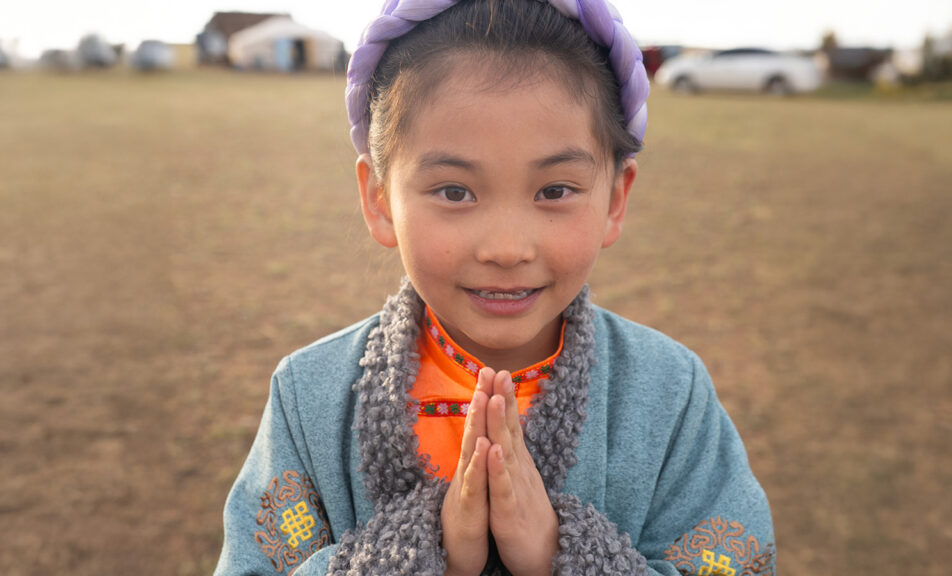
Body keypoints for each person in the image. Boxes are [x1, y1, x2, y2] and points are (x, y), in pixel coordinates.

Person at [214, 0, 775, 574]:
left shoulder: (670, 394)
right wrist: (427, 552)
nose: (506, 248)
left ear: (615, 197)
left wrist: (557, 554)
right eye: (455, 192)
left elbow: (735, 559)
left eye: (554, 191)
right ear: (379, 199)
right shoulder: (310, 397)